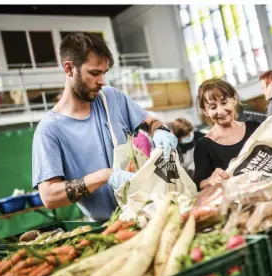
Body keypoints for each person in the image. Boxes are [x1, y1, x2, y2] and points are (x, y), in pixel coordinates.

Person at [32, 32, 178, 221]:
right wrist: (104, 176)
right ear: (69, 69)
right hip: (107, 226)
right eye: (94, 73)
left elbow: (150, 122)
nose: (101, 81)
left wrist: (160, 131)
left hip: (147, 212)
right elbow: (49, 196)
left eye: (103, 73)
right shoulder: (49, 131)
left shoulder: (112, 98)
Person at [193, 78, 260, 190]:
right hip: (237, 204)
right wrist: (211, 180)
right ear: (206, 112)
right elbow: (199, 184)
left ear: (234, 100)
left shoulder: (255, 128)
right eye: (213, 107)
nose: (220, 111)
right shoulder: (204, 145)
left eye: (224, 102)